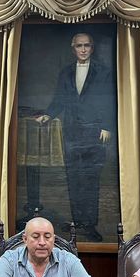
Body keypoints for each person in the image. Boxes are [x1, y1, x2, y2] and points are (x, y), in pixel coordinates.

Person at [43, 32, 116, 242]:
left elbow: (109, 100)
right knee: (73, 178)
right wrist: (49, 114)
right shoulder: (66, 72)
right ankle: (78, 222)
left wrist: (106, 126)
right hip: (72, 134)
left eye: (87, 46)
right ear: (73, 48)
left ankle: (90, 224)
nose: (83, 49)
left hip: (95, 133)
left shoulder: (104, 72)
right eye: (79, 46)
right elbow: (59, 99)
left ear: (92, 48)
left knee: (90, 180)